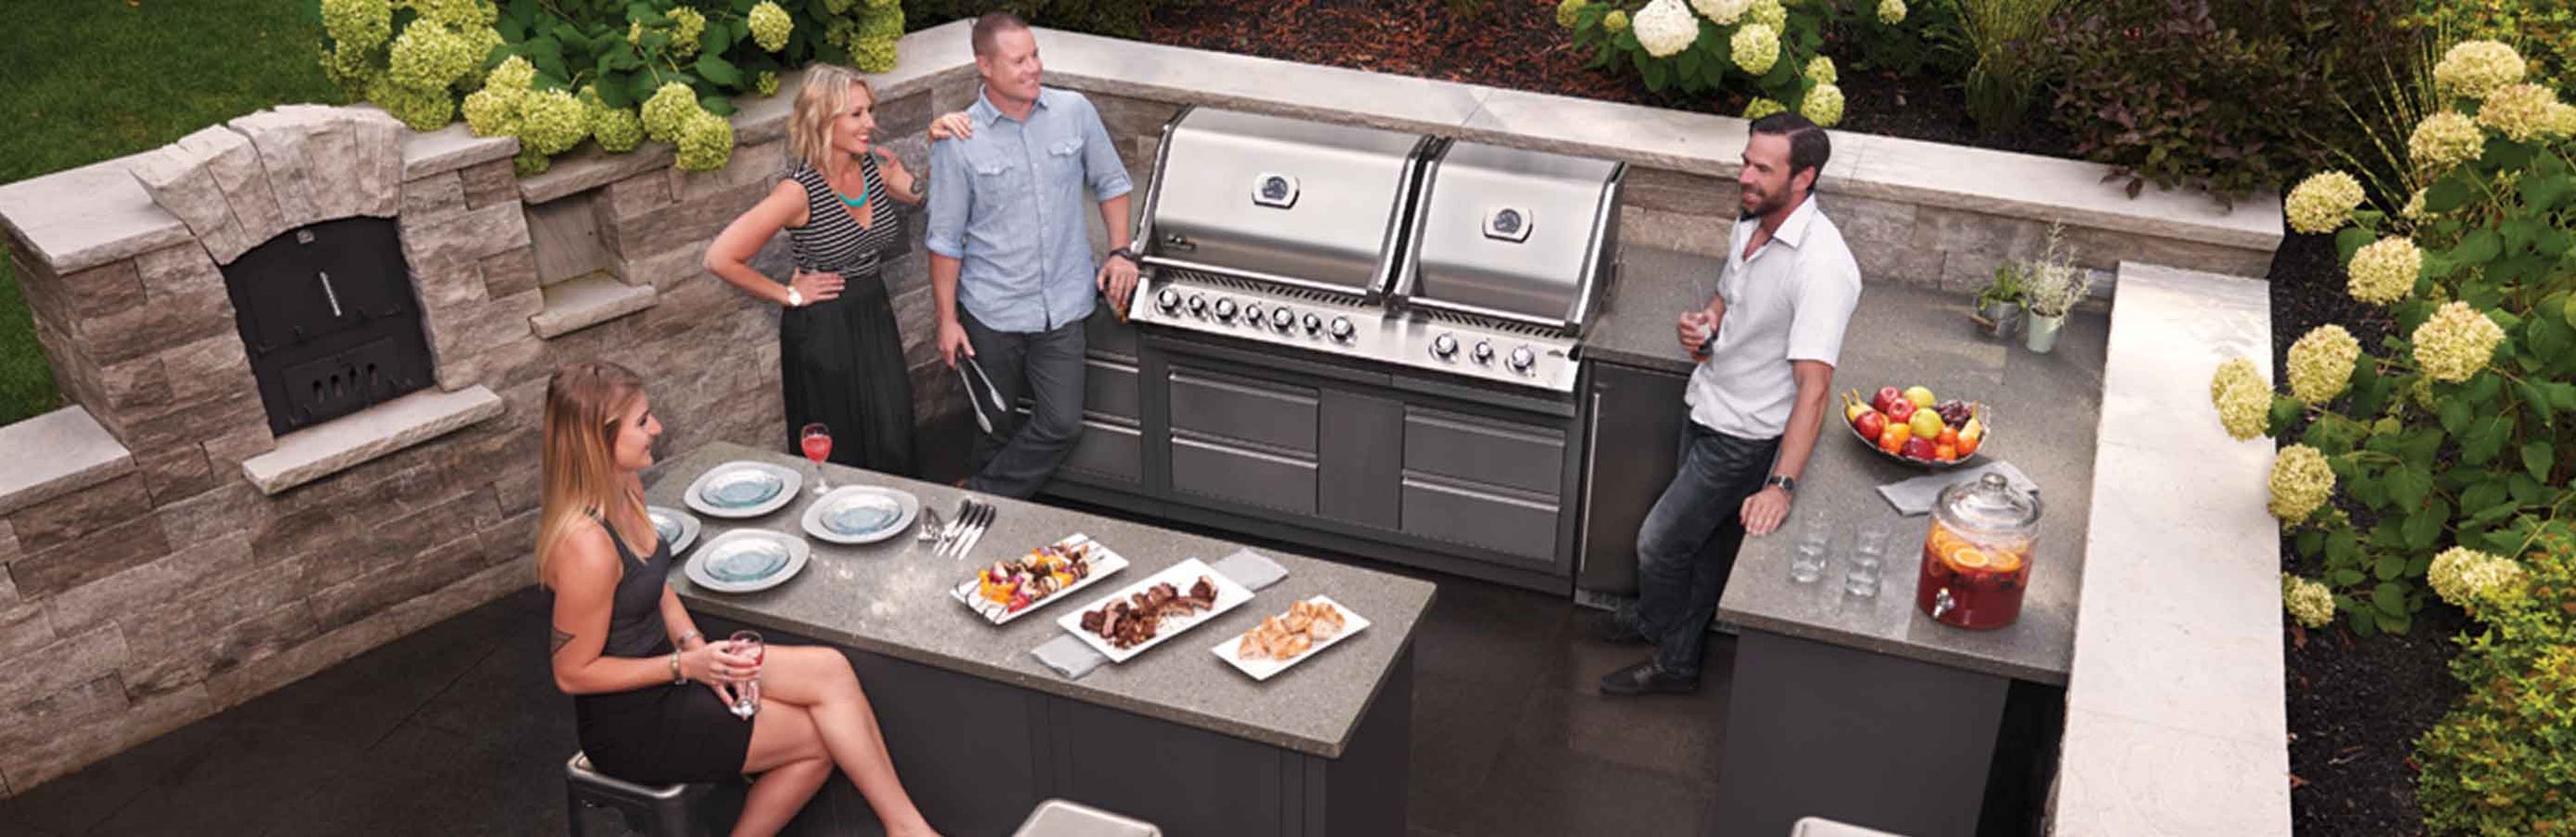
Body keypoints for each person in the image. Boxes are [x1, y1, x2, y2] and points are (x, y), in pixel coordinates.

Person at [537, 361, 940, 836]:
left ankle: (907, 829)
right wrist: (685, 667)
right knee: (817, 740)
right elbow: (572, 673)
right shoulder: (585, 546)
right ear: (599, 440)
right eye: (642, 421)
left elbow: (655, 584)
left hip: (673, 674)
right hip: (632, 725)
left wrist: (694, 645)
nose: (657, 428)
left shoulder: (625, 487)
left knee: (831, 669)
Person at [1597, 113, 1862, 697]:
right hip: (1707, 401)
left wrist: (1781, 486)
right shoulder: (1753, 220)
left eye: (1762, 169)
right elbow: (1728, 296)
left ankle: (1656, 626)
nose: (1745, 176)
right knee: (1701, 546)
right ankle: (1678, 663)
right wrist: (1705, 325)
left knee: (1661, 542)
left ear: (1803, 178)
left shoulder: (1822, 268)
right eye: (1746, 162)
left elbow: (1815, 387)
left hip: (1745, 437)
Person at [923, 11, 1138, 498]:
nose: (1034, 67)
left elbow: (1112, 182)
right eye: (1018, 61)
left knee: (1062, 423)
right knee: (994, 426)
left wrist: (1120, 252)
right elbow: (944, 240)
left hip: (1063, 305)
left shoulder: (1074, 111)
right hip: (992, 313)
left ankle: (978, 495)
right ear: (985, 66)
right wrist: (946, 320)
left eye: (1035, 55)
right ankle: (989, 522)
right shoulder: (959, 141)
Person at [706, 65, 938, 477]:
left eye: (870, 111)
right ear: (823, 119)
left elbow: (929, 199)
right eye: (856, 114)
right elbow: (720, 257)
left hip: (873, 311)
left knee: (892, 430)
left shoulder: (876, 167)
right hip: (823, 325)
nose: (871, 123)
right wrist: (790, 294)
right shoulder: (797, 192)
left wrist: (930, 155)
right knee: (840, 441)